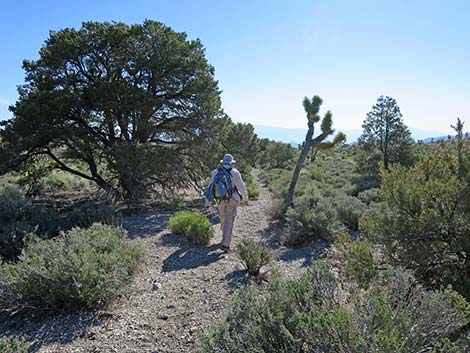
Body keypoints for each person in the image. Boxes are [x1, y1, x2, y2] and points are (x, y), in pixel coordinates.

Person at [205, 154, 248, 252]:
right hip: (232, 199)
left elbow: (210, 187)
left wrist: (207, 202)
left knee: (222, 216)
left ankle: (224, 232)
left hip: (219, 199)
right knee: (229, 219)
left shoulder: (215, 172)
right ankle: (225, 244)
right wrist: (245, 199)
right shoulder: (235, 172)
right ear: (231, 163)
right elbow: (241, 187)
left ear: (222, 163)